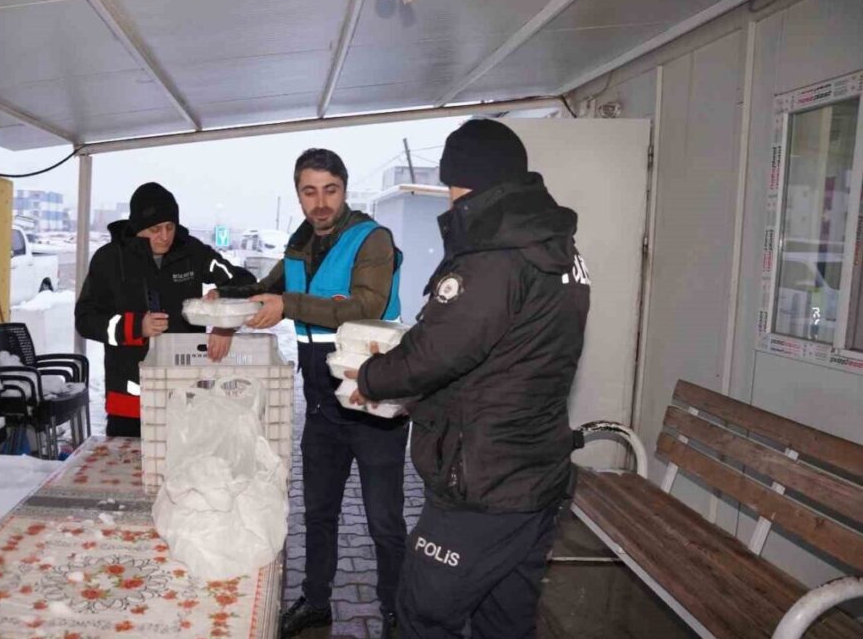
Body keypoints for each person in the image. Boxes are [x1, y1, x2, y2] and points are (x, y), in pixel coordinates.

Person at [349, 119, 591, 638]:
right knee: (504, 621)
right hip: (534, 475)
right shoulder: (559, 249)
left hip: (484, 484)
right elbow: (509, 354)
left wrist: (369, 374)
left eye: (452, 183)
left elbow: (436, 351)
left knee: (421, 615)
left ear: (469, 181)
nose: (449, 196)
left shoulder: (495, 257)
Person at [214, 148, 407, 639]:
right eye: (309, 191)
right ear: (298, 194)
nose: (320, 202)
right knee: (318, 512)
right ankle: (317, 601)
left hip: (373, 405)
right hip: (322, 407)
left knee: (384, 521)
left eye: (330, 190)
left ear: (344, 189)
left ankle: (396, 609)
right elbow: (266, 291)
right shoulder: (299, 246)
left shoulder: (372, 240)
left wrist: (288, 304)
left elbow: (369, 304)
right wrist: (227, 304)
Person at [75, 182, 255, 438]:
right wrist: (136, 326)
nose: (165, 236)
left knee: (189, 468)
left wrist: (224, 318)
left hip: (187, 394)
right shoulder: (108, 259)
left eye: (170, 227)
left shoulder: (192, 251)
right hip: (129, 400)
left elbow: (244, 282)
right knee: (129, 473)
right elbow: (85, 319)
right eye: (155, 229)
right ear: (137, 228)